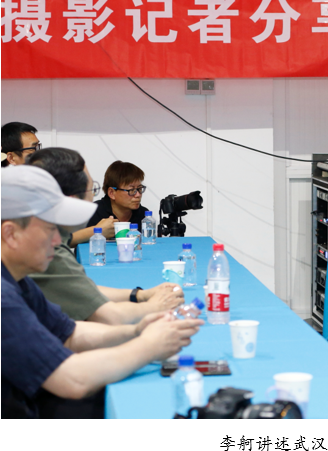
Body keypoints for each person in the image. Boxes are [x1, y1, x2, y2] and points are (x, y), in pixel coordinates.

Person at [1, 166, 203, 418]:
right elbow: (72, 379)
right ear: (10, 234)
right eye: (50, 230)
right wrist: (150, 345)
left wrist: (136, 331)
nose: (59, 241)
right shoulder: (4, 299)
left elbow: (69, 333)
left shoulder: (18, 279)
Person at [25, 148, 184, 323]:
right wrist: (153, 308)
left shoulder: (41, 233)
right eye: (91, 189)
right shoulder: (44, 248)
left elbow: (84, 289)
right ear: (71, 197)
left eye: (140, 189)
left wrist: (140, 295)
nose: (137, 195)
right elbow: (102, 313)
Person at [86, 160, 150, 237]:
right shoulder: (94, 213)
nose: (138, 195)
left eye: (139, 189)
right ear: (111, 193)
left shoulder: (144, 215)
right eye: (131, 190)